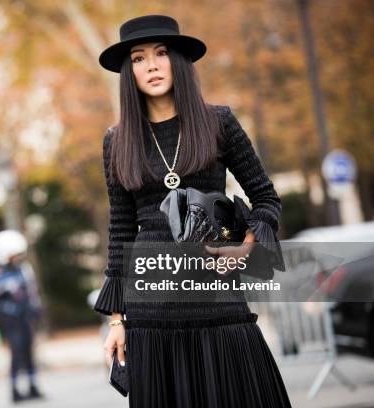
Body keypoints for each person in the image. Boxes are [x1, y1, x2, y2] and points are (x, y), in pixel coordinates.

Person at [94, 15, 292, 407]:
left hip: (216, 297)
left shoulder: (218, 122)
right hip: (151, 310)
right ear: (127, 71)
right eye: (138, 58)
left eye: (161, 54)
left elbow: (266, 198)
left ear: (179, 61)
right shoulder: (116, 141)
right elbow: (120, 234)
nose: (151, 65)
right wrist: (116, 321)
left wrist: (245, 246)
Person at [0, 229, 44, 404]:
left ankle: (32, 385)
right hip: (9, 319)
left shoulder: (24, 270)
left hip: (25, 317)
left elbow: (32, 292)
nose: (17, 258)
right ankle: (14, 390)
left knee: (28, 350)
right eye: (13, 255)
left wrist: (36, 309)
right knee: (17, 351)